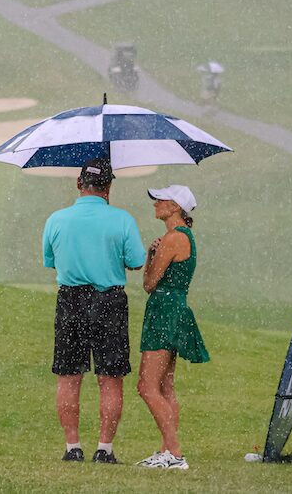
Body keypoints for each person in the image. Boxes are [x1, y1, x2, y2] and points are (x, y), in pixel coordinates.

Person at [43, 158, 146, 464]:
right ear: (109, 187)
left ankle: (73, 447)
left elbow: (51, 261)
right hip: (110, 302)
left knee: (68, 376)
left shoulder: (56, 219)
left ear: (79, 184)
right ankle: (105, 449)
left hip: (70, 300)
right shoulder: (122, 219)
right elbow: (137, 261)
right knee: (110, 378)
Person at [136, 185, 210, 471]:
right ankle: (167, 451)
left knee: (146, 386)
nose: (156, 203)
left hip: (164, 312)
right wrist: (151, 256)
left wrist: (149, 258)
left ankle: (175, 451)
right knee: (165, 386)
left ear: (176, 207)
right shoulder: (185, 237)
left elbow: (149, 284)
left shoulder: (172, 239)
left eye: (161, 199)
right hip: (175, 309)